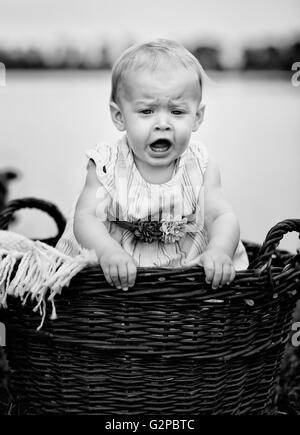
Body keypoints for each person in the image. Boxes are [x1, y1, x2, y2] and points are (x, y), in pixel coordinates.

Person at [56, 38, 248, 291]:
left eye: (177, 112)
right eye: (146, 111)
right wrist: (107, 251)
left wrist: (219, 251)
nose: (163, 123)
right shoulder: (107, 164)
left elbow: (221, 215)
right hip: (114, 269)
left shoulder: (200, 166)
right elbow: (86, 218)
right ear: (119, 116)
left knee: (218, 273)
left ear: (197, 117)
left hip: (184, 273)